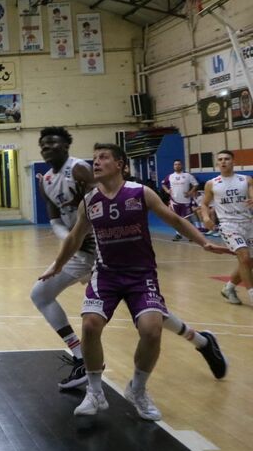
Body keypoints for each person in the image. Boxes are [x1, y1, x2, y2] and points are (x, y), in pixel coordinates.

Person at [41, 143, 230, 420]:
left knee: (152, 330)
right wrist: (58, 265)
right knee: (91, 325)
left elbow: (175, 220)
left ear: (120, 164)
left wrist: (204, 242)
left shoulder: (140, 193)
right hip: (106, 274)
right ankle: (95, 392)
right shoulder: (89, 201)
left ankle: (137, 389)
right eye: (94, 158)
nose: (96, 162)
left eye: (103, 157)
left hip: (141, 275)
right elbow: (74, 237)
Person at [30, 127, 98, 389]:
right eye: (43, 145)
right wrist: (71, 238)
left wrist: (86, 233)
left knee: (140, 307)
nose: (47, 148)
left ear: (66, 146)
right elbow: (55, 221)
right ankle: (80, 356)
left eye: (53, 143)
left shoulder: (79, 169)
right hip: (78, 249)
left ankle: (199, 340)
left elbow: (101, 203)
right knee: (40, 294)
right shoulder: (45, 181)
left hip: (103, 247)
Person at [201, 149, 253, 306]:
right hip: (228, 225)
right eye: (220, 159)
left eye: (227, 159)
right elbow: (204, 204)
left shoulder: (246, 180)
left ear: (233, 162)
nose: (223, 161)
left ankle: (229, 288)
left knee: (249, 261)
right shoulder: (212, 183)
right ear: (217, 163)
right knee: (244, 256)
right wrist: (206, 217)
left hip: (248, 223)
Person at [161, 160, 199, 241]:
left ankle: (191, 235)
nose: (177, 166)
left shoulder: (187, 175)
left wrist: (190, 192)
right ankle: (178, 234)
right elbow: (163, 184)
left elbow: (196, 184)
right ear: (173, 166)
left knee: (186, 219)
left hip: (186, 201)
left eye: (179, 164)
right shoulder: (170, 176)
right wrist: (167, 191)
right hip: (174, 201)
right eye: (175, 164)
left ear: (182, 165)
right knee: (176, 219)